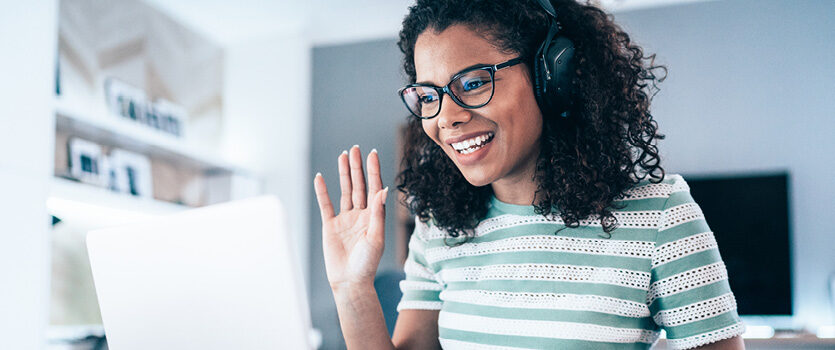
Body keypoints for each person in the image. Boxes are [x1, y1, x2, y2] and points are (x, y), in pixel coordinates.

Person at [313, 0, 746, 348]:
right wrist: (353, 288)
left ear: (551, 75)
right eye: (429, 95)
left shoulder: (661, 217)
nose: (446, 117)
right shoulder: (439, 229)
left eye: (473, 83)